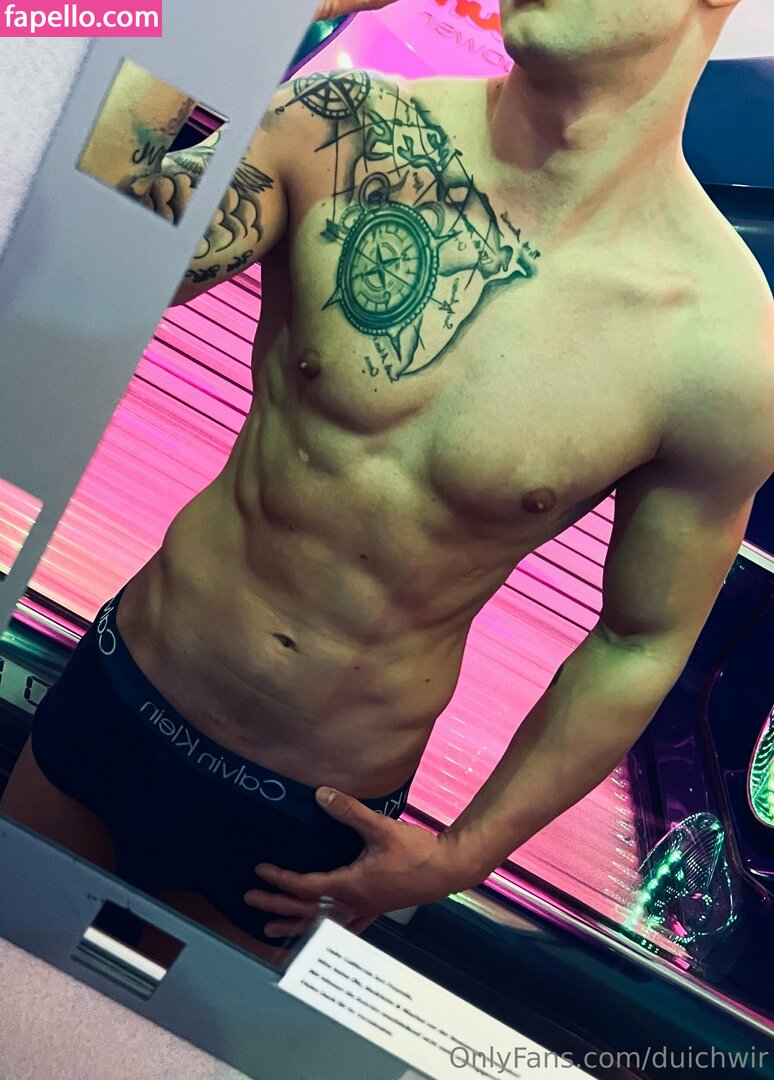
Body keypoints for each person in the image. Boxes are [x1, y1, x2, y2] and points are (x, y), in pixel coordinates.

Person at [3, 0, 773, 965]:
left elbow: (640, 641)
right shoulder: (343, 126)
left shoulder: (721, 348)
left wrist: (461, 857)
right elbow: (96, 258)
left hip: (310, 814)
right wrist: (247, 14)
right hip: (128, 689)